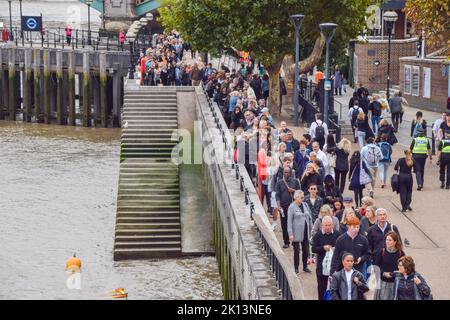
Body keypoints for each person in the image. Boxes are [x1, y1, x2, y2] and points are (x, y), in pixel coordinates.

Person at [311, 216, 340, 300]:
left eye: (329, 225)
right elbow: (313, 249)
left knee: (335, 287)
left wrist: (335, 249)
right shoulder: (318, 235)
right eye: (326, 225)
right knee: (321, 287)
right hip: (321, 266)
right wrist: (323, 248)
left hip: (334, 266)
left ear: (332, 225)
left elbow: (342, 248)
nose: (328, 227)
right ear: (322, 225)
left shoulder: (337, 234)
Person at [373, 231, 405, 300]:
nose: (387, 242)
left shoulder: (400, 253)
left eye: (390, 240)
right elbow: (376, 267)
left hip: (395, 283)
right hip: (383, 283)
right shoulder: (382, 251)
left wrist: (395, 274)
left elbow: (404, 268)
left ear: (395, 241)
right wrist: (384, 273)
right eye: (386, 240)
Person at [287, 190, 313, 274]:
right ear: (296, 197)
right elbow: (289, 221)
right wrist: (290, 234)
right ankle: (296, 268)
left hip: (305, 231)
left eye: (303, 197)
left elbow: (309, 217)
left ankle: (305, 266)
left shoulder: (305, 205)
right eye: (301, 197)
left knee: (306, 250)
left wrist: (311, 229)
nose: (303, 199)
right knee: (297, 250)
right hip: (296, 232)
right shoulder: (292, 207)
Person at [275, 166, 301, 248]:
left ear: (290, 173)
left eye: (287, 172)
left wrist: (293, 190)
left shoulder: (295, 182)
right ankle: (286, 241)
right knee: (284, 224)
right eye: (285, 172)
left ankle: (294, 241)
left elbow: (300, 193)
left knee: (294, 224)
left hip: (293, 206)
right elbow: (277, 195)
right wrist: (279, 206)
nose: (286, 174)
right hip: (283, 207)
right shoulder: (279, 182)